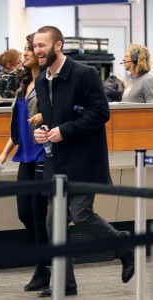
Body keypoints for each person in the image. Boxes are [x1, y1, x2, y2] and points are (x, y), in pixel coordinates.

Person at [33, 26, 134, 297]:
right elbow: (51, 116)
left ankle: (123, 244)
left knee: (81, 215)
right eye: (34, 46)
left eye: (42, 45)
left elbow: (101, 112)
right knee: (54, 224)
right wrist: (43, 132)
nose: (37, 50)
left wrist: (64, 130)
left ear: (58, 46)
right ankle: (65, 283)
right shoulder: (42, 80)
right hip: (57, 163)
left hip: (84, 161)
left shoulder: (84, 74)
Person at [0, 33, 50, 292]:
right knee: (25, 214)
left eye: (29, 49)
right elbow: (17, 127)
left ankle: (44, 269)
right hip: (24, 157)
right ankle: (47, 260)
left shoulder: (47, 82)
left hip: (43, 155)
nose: (26, 53)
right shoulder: (23, 84)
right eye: (27, 48)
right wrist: (5, 153)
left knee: (40, 217)